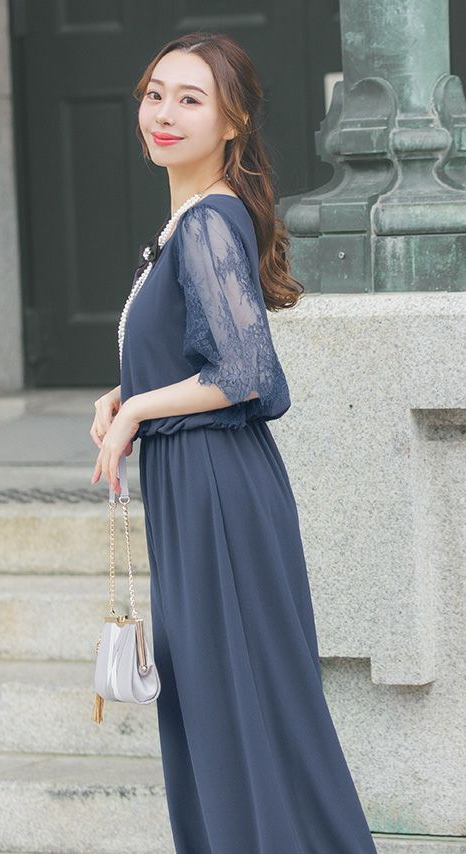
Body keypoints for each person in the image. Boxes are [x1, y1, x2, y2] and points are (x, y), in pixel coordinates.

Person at [90, 30, 377, 854]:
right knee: (225, 710)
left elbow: (249, 372)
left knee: (238, 709)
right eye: (155, 94)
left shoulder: (210, 223)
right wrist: (127, 394)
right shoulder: (188, 223)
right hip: (196, 486)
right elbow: (200, 359)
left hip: (217, 491)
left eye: (191, 100)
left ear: (234, 121)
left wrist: (138, 412)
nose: (164, 113)